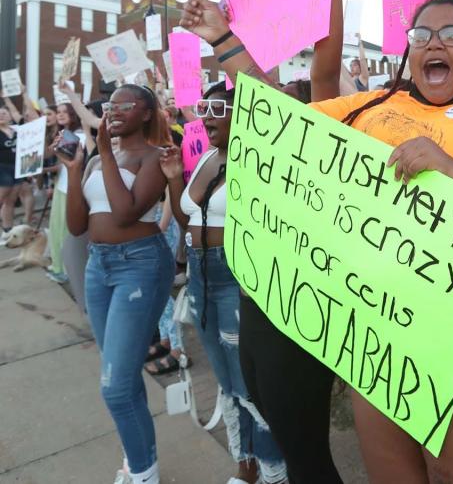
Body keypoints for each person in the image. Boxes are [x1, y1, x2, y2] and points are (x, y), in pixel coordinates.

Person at [181, 0, 453, 480]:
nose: (433, 42)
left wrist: (452, 174)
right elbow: (277, 120)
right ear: (409, 51)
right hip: (382, 351)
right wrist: (221, 37)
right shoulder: (370, 107)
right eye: (421, 34)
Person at [179, 0, 352, 483]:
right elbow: (255, 90)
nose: (274, 106)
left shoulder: (316, 132)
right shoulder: (248, 142)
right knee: (279, 424)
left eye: (290, 101)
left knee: (305, 454)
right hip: (255, 300)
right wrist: (221, 40)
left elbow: (321, 72)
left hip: (298, 309)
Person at [161, 83, 288, 484]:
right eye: (205, 108)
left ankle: (274, 469)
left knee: (248, 382)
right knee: (226, 382)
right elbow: (190, 222)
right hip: (201, 276)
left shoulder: (258, 161)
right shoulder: (206, 160)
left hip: (236, 276)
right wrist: (171, 178)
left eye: (219, 109)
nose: (207, 118)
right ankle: (244, 464)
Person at [58, 84, 172, 484]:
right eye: (111, 105)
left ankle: (143, 474)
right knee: (121, 378)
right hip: (99, 268)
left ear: (146, 113)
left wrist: (104, 151)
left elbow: (124, 213)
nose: (115, 110)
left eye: (127, 104)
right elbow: (77, 226)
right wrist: (75, 172)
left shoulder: (154, 158)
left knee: (115, 388)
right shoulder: (92, 163)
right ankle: (141, 461)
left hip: (139, 266)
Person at [46, 102, 87, 284]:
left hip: (71, 189)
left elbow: (71, 161)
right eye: (58, 111)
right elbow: (55, 160)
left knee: (64, 231)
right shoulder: (63, 134)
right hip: (61, 186)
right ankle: (59, 267)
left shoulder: (80, 135)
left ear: (74, 114)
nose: (60, 114)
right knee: (56, 229)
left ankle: (64, 270)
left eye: (65, 112)